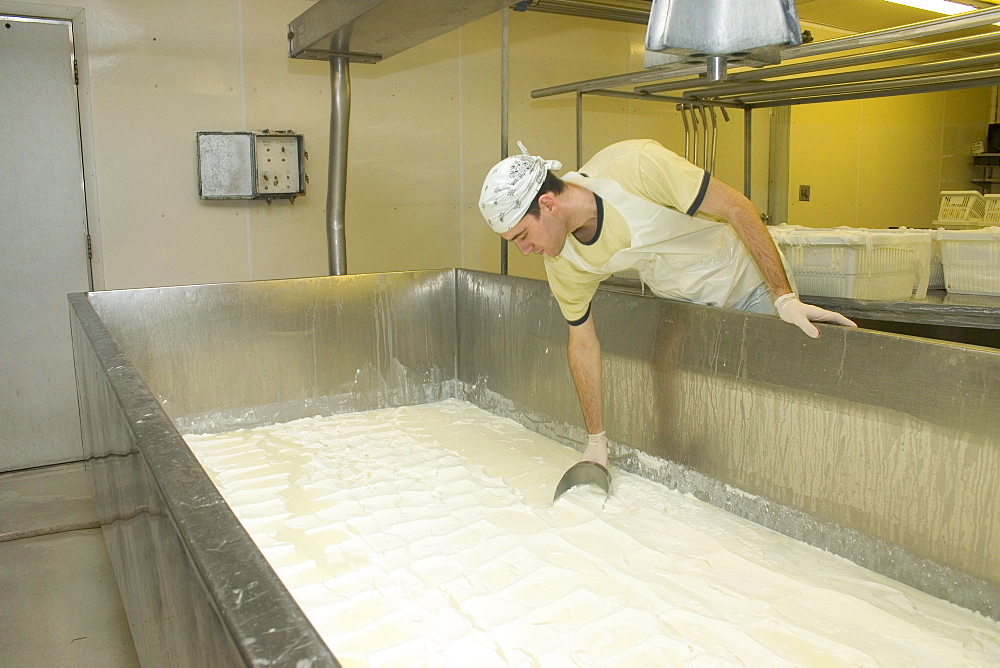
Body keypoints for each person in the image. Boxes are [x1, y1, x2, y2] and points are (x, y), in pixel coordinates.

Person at [478, 138, 857, 468]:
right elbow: (582, 342)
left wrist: (783, 297)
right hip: (681, 299)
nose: (525, 250)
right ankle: (689, 452)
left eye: (523, 235)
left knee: (773, 402)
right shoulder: (565, 262)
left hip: (744, 283)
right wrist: (596, 440)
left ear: (548, 203)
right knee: (685, 379)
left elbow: (737, 207)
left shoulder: (633, 166)